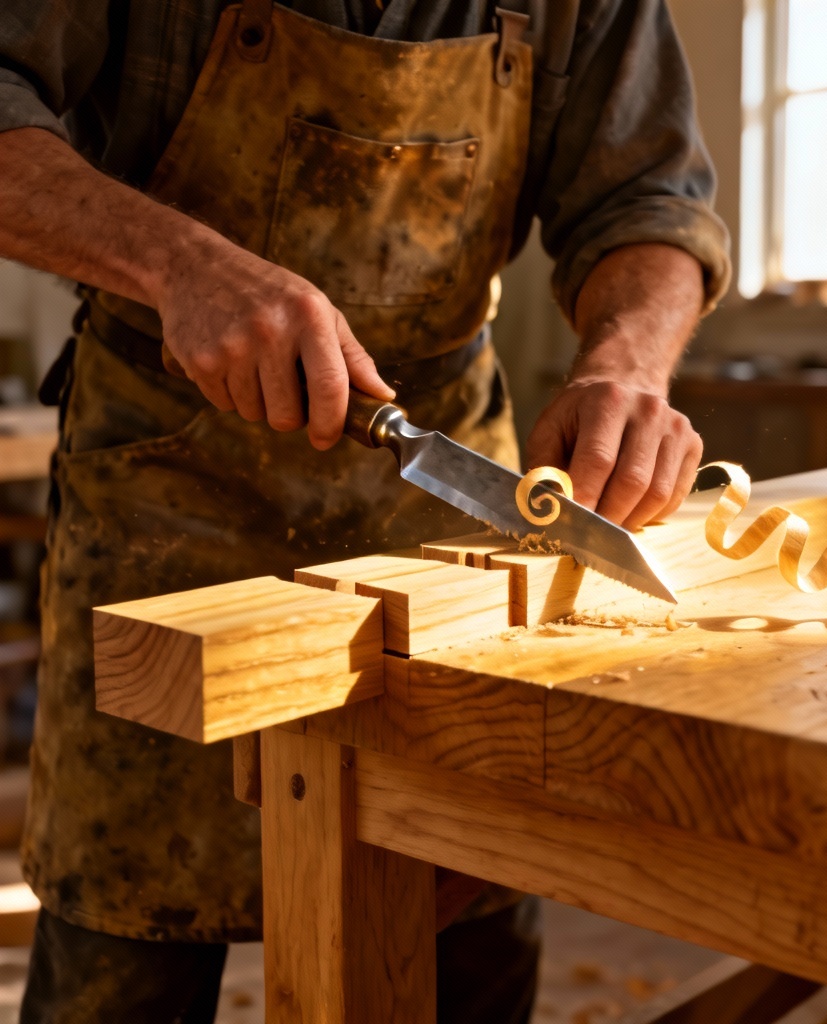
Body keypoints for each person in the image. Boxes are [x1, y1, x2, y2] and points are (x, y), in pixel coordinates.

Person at [0, 1, 730, 1021]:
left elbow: (649, 196)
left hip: (443, 504)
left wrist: (627, 364)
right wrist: (179, 264)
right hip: (164, 486)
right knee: (122, 951)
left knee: (463, 918)